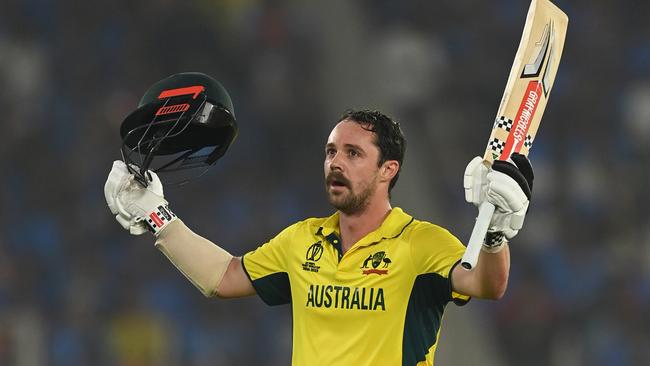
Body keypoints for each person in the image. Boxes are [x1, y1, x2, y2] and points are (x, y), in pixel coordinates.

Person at [104, 109, 533, 365]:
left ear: (389, 170)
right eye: (331, 151)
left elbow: (486, 284)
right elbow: (222, 277)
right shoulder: (301, 241)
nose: (335, 163)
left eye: (353, 153)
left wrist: (494, 235)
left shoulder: (420, 243)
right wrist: (157, 216)